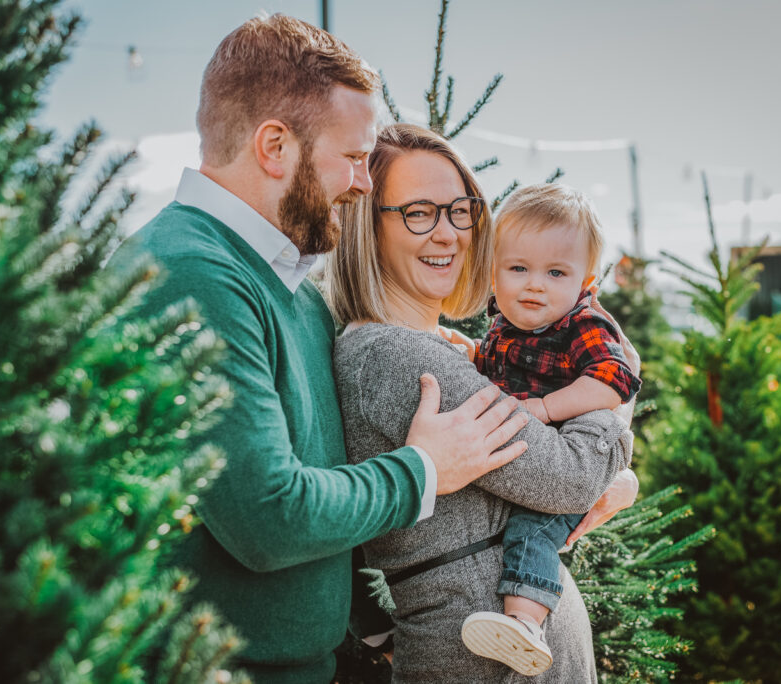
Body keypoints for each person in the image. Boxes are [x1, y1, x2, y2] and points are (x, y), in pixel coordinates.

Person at [106, 16, 528, 684]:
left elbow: (326, 469)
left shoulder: (294, 291)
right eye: (354, 157)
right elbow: (268, 518)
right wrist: (425, 468)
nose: (363, 182)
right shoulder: (187, 274)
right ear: (275, 145)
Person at [326, 122, 639, 682]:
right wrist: (619, 380)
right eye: (418, 212)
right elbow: (567, 478)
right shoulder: (400, 358)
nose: (447, 234)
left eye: (459, 210)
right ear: (364, 227)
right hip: (486, 659)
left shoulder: (432, 350)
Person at [461, 184, 642, 675]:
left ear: (586, 283)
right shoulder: (504, 325)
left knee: (532, 529)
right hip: (521, 458)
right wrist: (466, 350)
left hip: (566, 460)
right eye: (518, 268)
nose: (534, 285)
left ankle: (526, 625)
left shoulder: (581, 325)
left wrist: (544, 407)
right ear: (493, 271)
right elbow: (491, 369)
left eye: (555, 272)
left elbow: (614, 381)